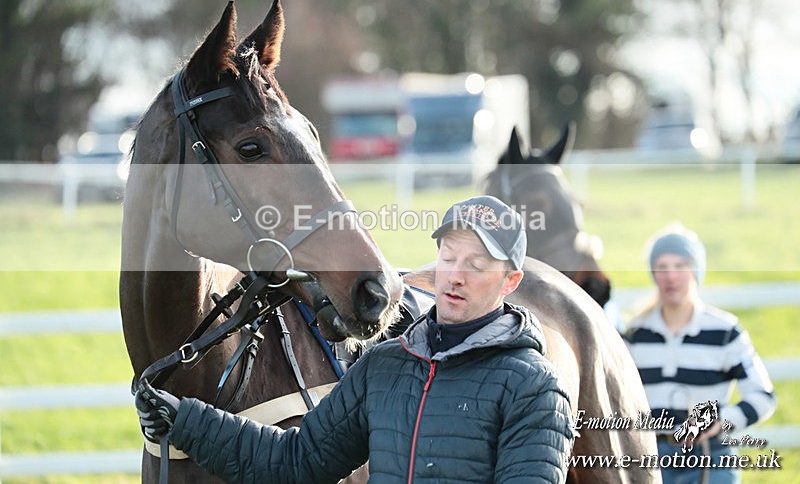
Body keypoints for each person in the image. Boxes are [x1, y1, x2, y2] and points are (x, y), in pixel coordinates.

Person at [135, 195, 575, 483]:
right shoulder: (384, 366)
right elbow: (296, 462)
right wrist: (184, 420)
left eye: (477, 265)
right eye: (448, 257)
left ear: (510, 281)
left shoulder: (535, 387)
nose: (455, 276)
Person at [623, 224, 776, 484]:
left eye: (680, 266)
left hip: (711, 456)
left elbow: (763, 396)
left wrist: (721, 422)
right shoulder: (634, 334)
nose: (671, 276)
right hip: (651, 458)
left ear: (696, 270)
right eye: (662, 267)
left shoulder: (725, 331)